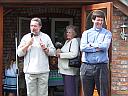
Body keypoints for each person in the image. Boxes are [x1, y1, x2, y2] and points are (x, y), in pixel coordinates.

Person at [17, 17, 56, 96]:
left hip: (43, 71)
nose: (33, 28)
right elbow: (19, 53)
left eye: (35, 26)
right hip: (30, 72)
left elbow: (53, 52)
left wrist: (45, 48)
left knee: (43, 94)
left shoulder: (46, 37)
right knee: (31, 94)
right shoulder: (26, 37)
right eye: (31, 26)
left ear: (40, 27)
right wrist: (27, 44)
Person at [80, 10, 112, 96]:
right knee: (87, 93)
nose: (100, 22)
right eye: (98, 20)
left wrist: (90, 45)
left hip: (101, 67)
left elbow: (105, 46)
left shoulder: (107, 33)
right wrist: (97, 48)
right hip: (86, 67)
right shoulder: (86, 33)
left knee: (103, 93)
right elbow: (83, 47)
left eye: (102, 20)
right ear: (93, 20)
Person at [56, 25, 80, 96]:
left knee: (70, 92)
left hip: (69, 70)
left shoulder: (74, 41)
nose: (68, 34)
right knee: (67, 91)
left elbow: (74, 54)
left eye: (70, 32)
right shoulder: (67, 41)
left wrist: (60, 55)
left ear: (74, 34)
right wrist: (59, 51)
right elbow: (64, 51)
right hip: (64, 69)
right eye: (67, 32)